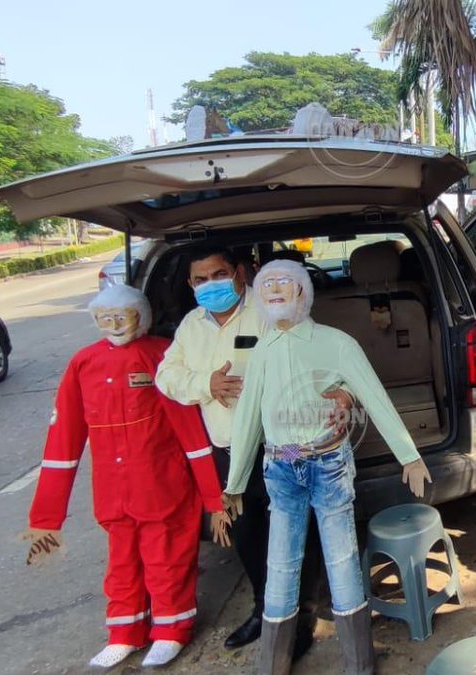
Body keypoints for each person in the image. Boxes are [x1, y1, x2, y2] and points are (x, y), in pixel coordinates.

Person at [224, 259, 433, 675]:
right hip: (280, 470)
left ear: (303, 291)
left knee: (341, 562)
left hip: (328, 465)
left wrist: (408, 455)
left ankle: (359, 663)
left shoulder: (336, 343)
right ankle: (273, 664)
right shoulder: (263, 348)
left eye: (286, 283)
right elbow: (247, 416)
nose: (276, 290)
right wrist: (233, 484)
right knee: (280, 566)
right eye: (268, 285)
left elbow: (373, 396)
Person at [25, 285, 228, 669]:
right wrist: (45, 518)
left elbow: (191, 433)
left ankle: (171, 631)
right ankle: (124, 634)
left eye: (124, 316)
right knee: (121, 564)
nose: (115, 325)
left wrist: (214, 499)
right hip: (112, 491)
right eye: (106, 318)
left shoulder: (161, 356)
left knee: (166, 559)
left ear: (143, 317)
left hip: (162, 486)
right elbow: (63, 439)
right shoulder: (83, 363)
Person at [155, 246, 323, 655]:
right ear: (189, 285)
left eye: (219, 274)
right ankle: (264, 608)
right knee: (248, 536)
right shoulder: (191, 326)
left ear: (241, 273)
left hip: (280, 445)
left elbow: (307, 359)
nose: (210, 285)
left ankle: (301, 617)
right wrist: (206, 385)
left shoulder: (270, 310)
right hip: (229, 451)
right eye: (200, 279)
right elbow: (165, 375)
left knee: (294, 530)